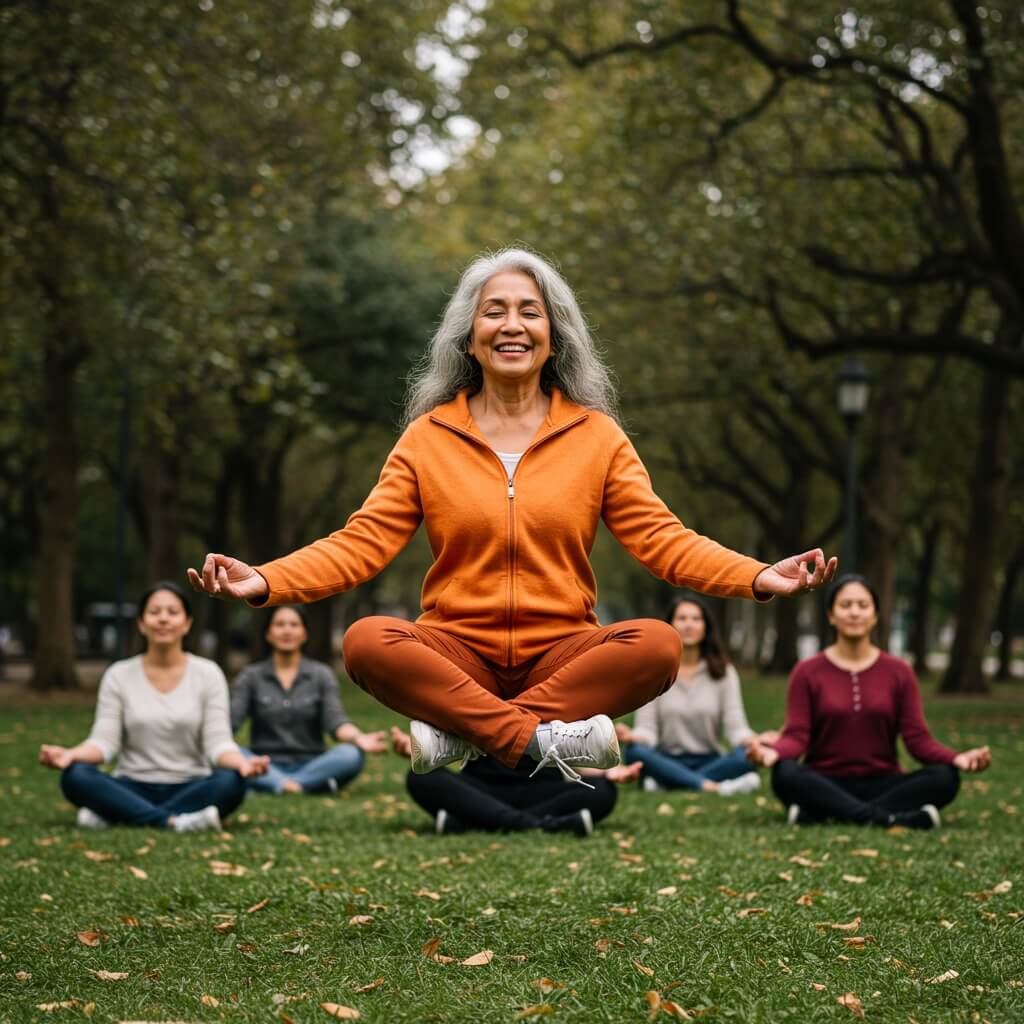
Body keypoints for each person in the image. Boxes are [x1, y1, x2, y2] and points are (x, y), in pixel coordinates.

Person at [187, 248, 837, 786]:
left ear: (554, 335)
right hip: (456, 652)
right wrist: (266, 580)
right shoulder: (428, 437)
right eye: (493, 311)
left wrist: (757, 576)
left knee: (660, 646)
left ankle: (469, 737)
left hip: (562, 657)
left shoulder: (597, 436)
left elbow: (663, 540)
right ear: (469, 335)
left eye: (530, 311)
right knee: (365, 641)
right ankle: (535, 741)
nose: (512, 325)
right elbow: (361, 544)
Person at [748, 574, 992, 829]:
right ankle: (889, 818)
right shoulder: (806, 671)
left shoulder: (899, 671)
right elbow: (798, 735)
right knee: (785, 773)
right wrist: (772, 753)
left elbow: (917, 739)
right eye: (846, 605)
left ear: (875, 615)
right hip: (824, 780)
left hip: (884, 781)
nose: (854, 612)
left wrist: (957, 759)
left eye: (863, 605)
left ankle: (821, 813)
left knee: (944, 777)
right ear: (831, 615)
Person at [38, 581, 268, 831]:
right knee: (76, 775)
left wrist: (242, 764)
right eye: (155, 612)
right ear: (141, 623)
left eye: (172, 612)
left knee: (231, 781)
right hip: (131, 784)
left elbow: (218, 743)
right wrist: (70, 755)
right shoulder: (119, 674)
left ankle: (117, 813)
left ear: (187, 623)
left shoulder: (208, 674)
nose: (163, 619)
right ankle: (173, 821)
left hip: (192, 785)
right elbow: (104, 744)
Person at [618, 595, 775, 795]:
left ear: (705, 626)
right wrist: (632, 736)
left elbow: (736, 729)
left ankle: (669, 781)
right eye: (682, 618)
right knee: (635, 752)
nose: (689, 625)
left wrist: (756, 740)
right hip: (667, 758)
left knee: (747, 756)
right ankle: (712, 785)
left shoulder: (724, 673)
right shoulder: (654, 672)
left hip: (710, 758)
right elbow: (647, 730)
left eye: (696, 619)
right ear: (670, 625)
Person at [231, 605, 386, 795]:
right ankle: (304, 786)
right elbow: (231, 723)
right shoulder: (250, 676)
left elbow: (335, 722)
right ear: (268, 634)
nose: (287, 630)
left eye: (294, 625)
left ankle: (277, 785)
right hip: (263, 763)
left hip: (312, 763)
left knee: (351, 754)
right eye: (279, 624)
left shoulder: (321, 675)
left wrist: (358, 737)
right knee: (230, 753)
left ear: (304, 634)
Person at [390, 726, 638, 836]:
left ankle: (475, 823)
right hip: (482, 790)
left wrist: (609, 772)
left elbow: (571, 756)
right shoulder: (470, 687)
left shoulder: (560, 691)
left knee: (603, 789)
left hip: (542, 790)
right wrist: (421, 753)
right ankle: (541, 825)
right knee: (421, 777)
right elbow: (448, 747)